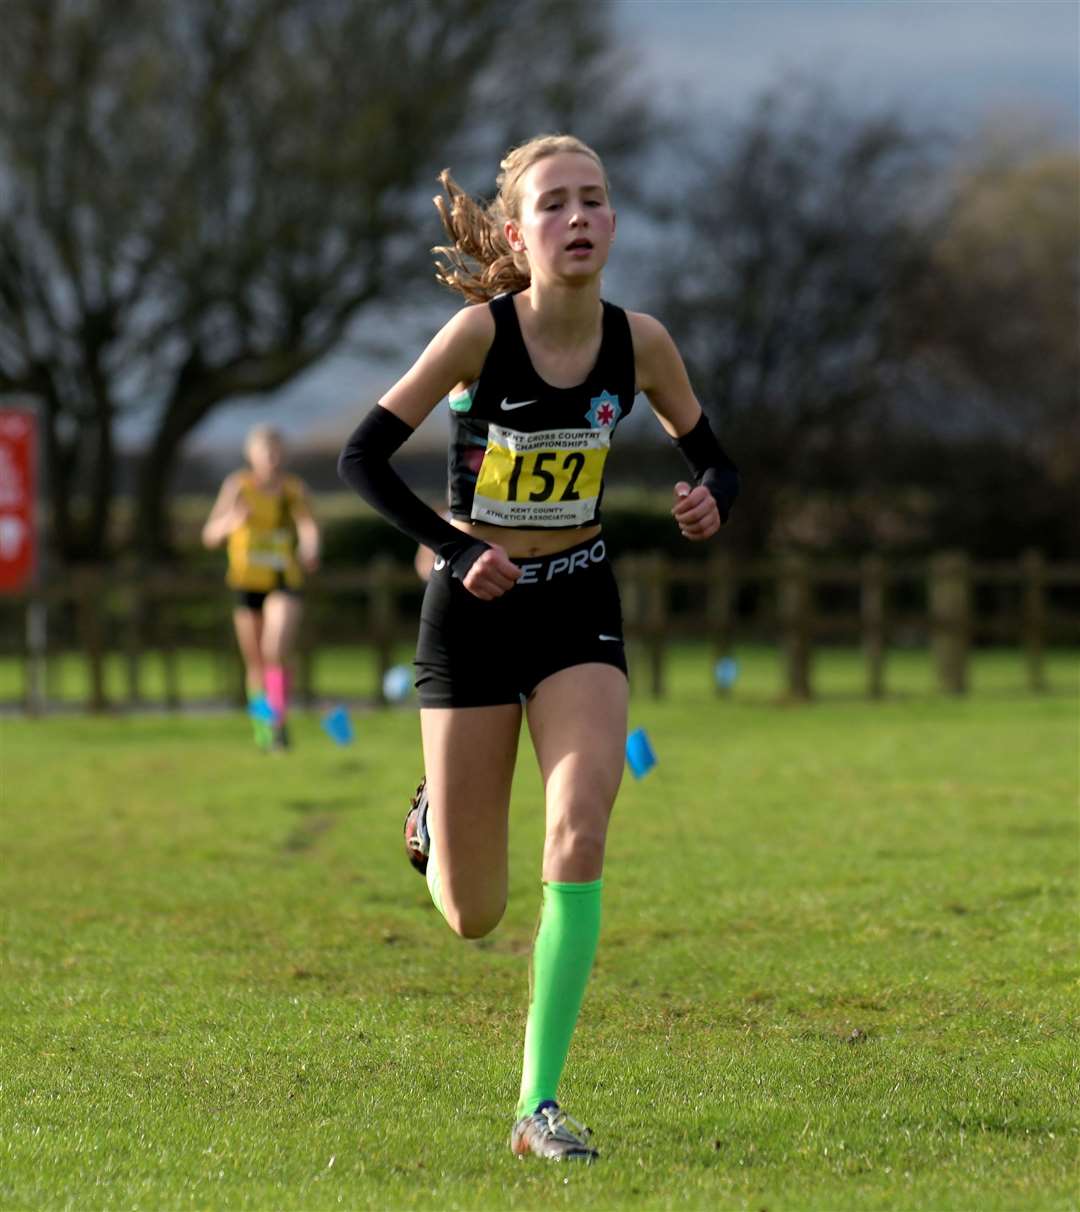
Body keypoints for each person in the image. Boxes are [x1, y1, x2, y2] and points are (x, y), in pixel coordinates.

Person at [338, 134, 738, 1162]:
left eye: (594, 200)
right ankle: (432, 809)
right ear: (519, 233)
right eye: (554, 203)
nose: (578, 217)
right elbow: (363, 456)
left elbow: (716, 460)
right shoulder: (479, 337)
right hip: (471, 615)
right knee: (474, 913)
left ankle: (538, 1106)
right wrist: (453, 546)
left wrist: (706, 501)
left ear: (611, 225)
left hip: (577, 609)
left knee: (580, 831)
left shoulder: (640, 343)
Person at [202, 424, 320, 750]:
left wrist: (311, 547)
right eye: (265, 451)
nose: (272, 458)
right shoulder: (238, 487)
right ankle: (263, 728)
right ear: (251, 455)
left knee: (275, 648)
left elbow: (308, 525)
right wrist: (232, 522)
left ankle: (278, 722)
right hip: (245, 582)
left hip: (283, 581)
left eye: (276, 451)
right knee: (255, 662)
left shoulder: (292, 490)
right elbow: (210, 535)